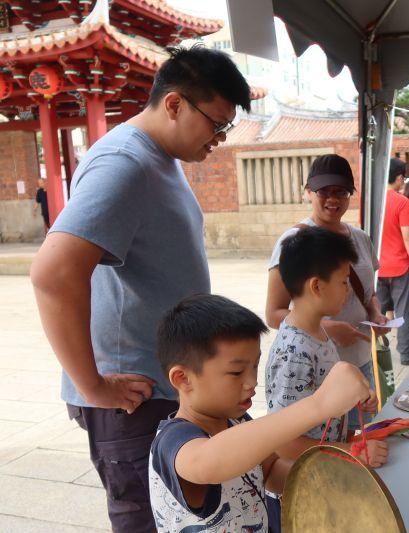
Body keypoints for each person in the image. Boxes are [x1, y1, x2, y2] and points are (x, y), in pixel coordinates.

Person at [30, 45, 250, 532]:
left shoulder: (159, 160)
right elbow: (54, 274)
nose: (218, 138)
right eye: (215, 124)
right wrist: (93, 385)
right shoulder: (125, 164)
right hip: (134, 399)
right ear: (174, 104)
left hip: (165, 389)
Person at [149, 294, 371, 532]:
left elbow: (270, 471)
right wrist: (318, 405)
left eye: (255, 366)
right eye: (236, 373)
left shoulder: (238, 422)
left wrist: (334, 476)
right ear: (183, 379)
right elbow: (208, 463)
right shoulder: (172, 441)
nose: (251, 382)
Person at [266, 154, 388, 434]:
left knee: (353, 437)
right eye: (324, 191)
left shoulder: (361, 238)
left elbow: (368, 294)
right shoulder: (293, 243)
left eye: (341, 192)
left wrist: (376, 314)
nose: (332, 199)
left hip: (360, 360)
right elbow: (274, 314)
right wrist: (330, 329)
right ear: (308, 192)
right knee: (319, 440)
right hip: (313, 368)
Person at [266, 227, 388, 461]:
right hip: (307, 482)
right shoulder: (295, 353)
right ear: (317, 286)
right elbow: (283, 443)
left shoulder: (316, 331)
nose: (349, 289)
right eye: (343, 282)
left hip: (325, 463)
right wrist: (354, 453)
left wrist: (355, 397)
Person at [377, 158, 409, 365]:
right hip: (400, 267)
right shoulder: (402, 202)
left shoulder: (374, 199)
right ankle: (406, 355)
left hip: (377, 267)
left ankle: (373, 351)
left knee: (374, 311)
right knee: (404, 313)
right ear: (399, 177)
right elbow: (408, 236)